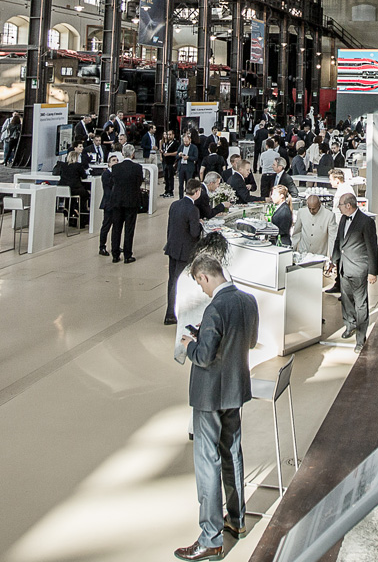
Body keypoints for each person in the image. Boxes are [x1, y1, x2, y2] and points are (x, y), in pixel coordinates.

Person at [175, 254, 257, 560]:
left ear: (205, 277)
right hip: (235, 389)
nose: (202, 290)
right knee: (232, 452)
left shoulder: (214, 308)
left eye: (200, 283)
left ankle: (210, 537)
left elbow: (205, 356)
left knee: (207, 461)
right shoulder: (248, 301)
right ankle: (236, 519)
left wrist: (189, 344)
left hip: (209, 395)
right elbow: (250, 341)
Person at [329, 192, 378, 349]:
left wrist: (373, 271)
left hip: (359, 268)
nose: (339, 208)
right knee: (346, 299)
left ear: (348, 205)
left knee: (360, 303)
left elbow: (372, 247)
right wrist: (333, 261)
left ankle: (360, 338)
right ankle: (349, 325)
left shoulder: (366, 222)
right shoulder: (343, 219)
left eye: (340, 205)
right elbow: (339, 241)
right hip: (344, 267)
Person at [164, 179, 206, 324]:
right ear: (197, 191)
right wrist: (200, 225)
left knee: (172, 280)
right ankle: (179, 312)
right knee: (181, 281)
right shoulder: (193, 209)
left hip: (172, 247)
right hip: (185, 250)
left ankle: (170, 312)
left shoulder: (175, 205)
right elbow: (194, 233)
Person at [100, 145, 146, 263]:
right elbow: (139, 182)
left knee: (116, 228)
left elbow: (113, 182)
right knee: (129, 229)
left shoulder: (116, 168)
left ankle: (115, 254)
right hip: (131, 201)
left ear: (122, 153)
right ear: (133, 153)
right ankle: (127, 255)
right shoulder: (137, 167)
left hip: (117, 201)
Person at [54, 143, 90, 228]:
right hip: (75, 189)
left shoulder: (63, 166)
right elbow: (84, 176)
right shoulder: (78, 165)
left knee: (70, 199)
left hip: (64, 190)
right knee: (85, 195)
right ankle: (82, 216)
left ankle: (71, 216)